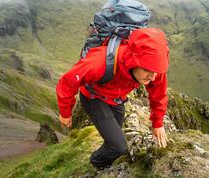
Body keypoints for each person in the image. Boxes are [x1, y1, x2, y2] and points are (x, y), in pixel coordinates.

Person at [56, 27, 169, 169]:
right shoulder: (100, 62)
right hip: (93, 98)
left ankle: (107, 157)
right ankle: (95, 164)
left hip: (117, 99)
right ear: (133, 61)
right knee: (119, 147)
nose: (153, 77)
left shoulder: (155, 68)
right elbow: (68, 81)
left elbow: (159, 93)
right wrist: (65, 112)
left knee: (114, 139)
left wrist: (158, 122)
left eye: (156, 72)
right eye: (147, 71)